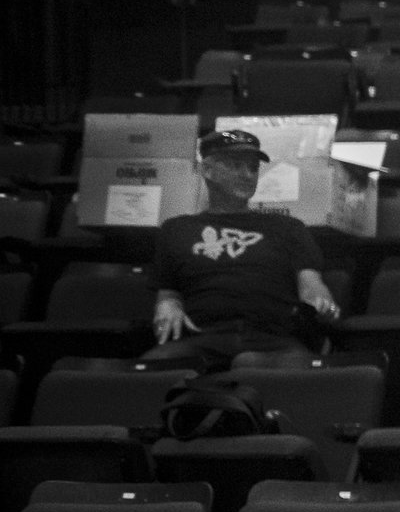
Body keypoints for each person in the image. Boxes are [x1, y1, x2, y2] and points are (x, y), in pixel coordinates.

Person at [141, 128, 340, 371]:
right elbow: (168, 292)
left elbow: (311, 283)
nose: (247, 175)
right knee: (148, 373)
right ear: (207, 170)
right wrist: (169, 305)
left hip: (273, 340)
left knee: (281, 370)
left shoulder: (288, 227)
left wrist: (320, 301)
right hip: (202, 337)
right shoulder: (176, 229)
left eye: (253, 168)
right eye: (236, 165)